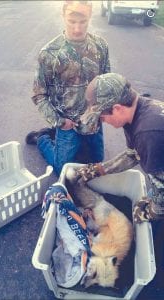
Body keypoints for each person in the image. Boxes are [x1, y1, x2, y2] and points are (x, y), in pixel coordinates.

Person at [71, 72, 164, 288]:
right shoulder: (139, 111)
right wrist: (99, 170)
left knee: (152, 224)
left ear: (118, 108)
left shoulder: (148, 134)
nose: (103, 122)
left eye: (103, 117)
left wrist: (151, 211)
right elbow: (132, 155)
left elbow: (161, 188)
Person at [26, 0, 111, 176]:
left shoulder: (101, 46)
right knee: (62, 170)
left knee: (97, 163)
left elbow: (106, 83)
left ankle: (74, 141)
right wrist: (60, 122)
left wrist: (103, 111)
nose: (78, 29)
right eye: (72, 21)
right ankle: (43, 138)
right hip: (67, 123)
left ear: (90, 17)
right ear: (63, 16)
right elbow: (39, 95)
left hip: (92, 122)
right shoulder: (49, 53)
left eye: (83, 22)